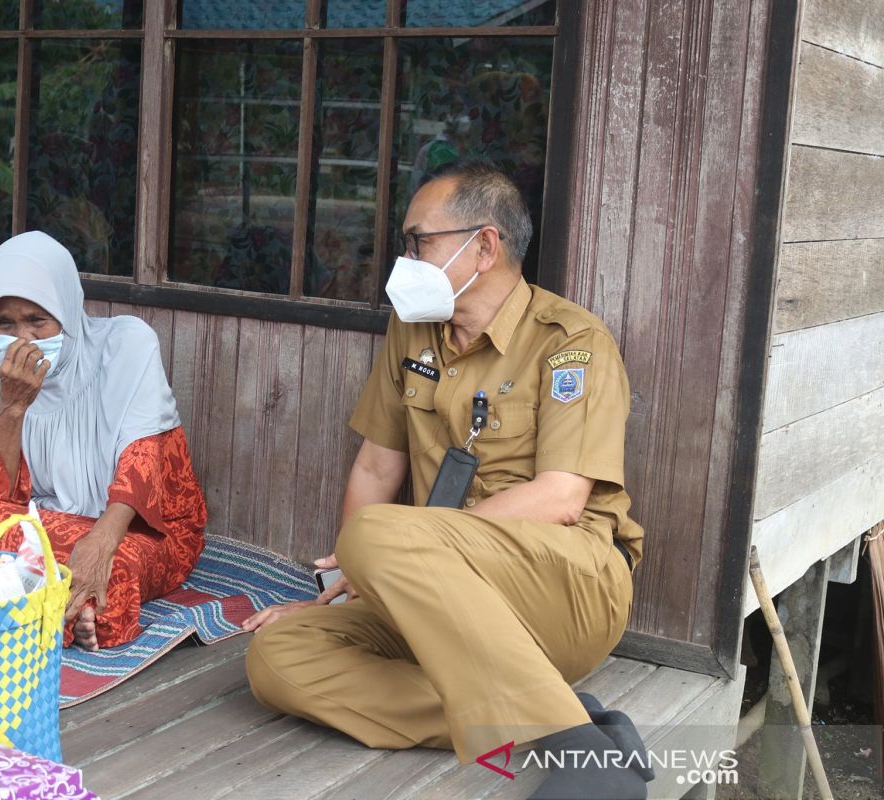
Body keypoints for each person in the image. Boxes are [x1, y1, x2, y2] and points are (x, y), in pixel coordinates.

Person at [242, 162, 649, 799]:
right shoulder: (414, 329)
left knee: (376, 535)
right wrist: (360, 582)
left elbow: (562, 498)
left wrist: (384, 548)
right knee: (277, 660)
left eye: (418, 242)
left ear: (484, 247)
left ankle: (584, 763)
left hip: (567, 587)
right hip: (438, 595)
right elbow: (378, 465)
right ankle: (564, 717)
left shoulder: (571, 341)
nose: (405, 259)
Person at [0, 231, 207, 652]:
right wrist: (13, 407)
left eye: (37, 320)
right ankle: (58, 604)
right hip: (46, 530)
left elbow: (142, 463)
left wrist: (99, 544)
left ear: (66, 308)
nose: (24, 339)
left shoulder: (127, 345)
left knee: (118, 567)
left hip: (139, 531)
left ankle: (7, 599)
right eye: (5, 323)